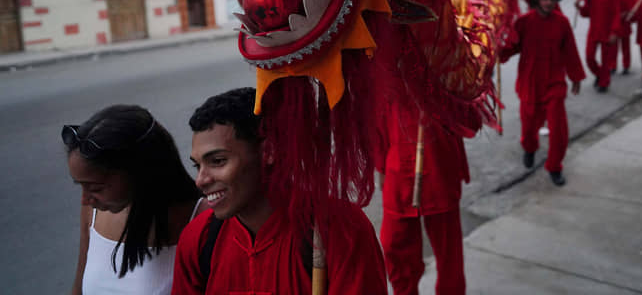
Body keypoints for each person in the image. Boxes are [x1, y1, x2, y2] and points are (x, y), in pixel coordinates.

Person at [173, 87, 388, 294]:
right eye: (197, 165)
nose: (201, 180)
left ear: (269, 151)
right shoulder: (198, 239)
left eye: (218, 161)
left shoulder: (339, 230)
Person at [64, 106, 205, 295]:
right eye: (79, 185)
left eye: (95, 188)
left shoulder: (204, 221)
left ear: (138, 172)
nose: (85, 199)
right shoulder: (93, 212)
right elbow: (78, 290)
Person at [375, 105, 469, 295]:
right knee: (394, 244)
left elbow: (468, 120)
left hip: (439, 165)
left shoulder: (447, 76)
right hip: (398, 168)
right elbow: (377, 119)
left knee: (448, 252)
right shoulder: (386, 77)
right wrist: (381, 167)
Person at [504, 0, 585, 185]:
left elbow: (570, 52)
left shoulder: (562, 23)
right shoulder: (523, 22)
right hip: (529, 84)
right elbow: (510, 48)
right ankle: (529, 148)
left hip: (554, 83)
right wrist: (495, 47)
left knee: (559, 130)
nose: (549, 3)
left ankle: (555, 166)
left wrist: (575, 77)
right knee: (529, 128)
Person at [575, 0, 620, 92]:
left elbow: (616, 14)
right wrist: (579, 7)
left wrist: (614, 32)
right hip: (594, 30)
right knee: (589, 57)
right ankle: (600, 75)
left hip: (607, 31)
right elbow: (586, 13)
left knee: (606, 60)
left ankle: (604, 83)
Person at [611, 0, 637, 74]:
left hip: (625, 25)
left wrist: (626, 14)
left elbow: (633, 10)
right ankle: (612, 66)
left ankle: (626, 66)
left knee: (626, 48)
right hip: (614, 26)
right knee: (613, 48)